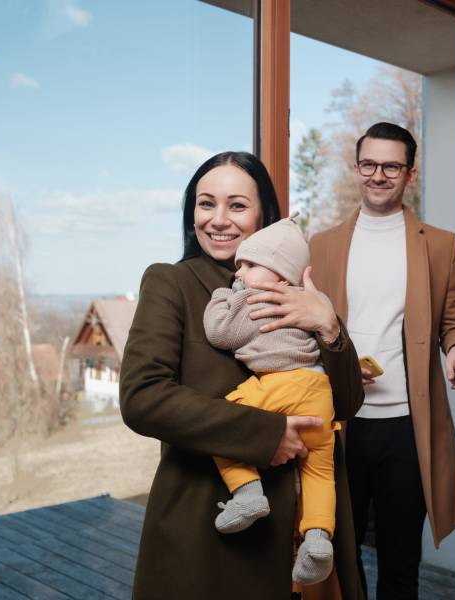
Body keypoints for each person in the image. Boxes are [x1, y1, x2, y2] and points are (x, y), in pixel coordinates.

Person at [119, 151, 365, 600]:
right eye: (205, 204)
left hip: (306, 526)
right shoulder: (170, 283)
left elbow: (346, 403)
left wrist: (328, 325)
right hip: (209, 528)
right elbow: (142, 397)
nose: (218, 220)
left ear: (264, 215)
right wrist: (267, 434)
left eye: (236, 205)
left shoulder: (298, 289)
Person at [309, 122, 455, 600]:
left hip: (408, 426)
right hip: (339, 422)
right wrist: (338, 364)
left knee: (400, 561)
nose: (378, 175)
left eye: (391, 166)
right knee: (341, 557)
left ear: (410, 173)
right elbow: (304, 328)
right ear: (356, 168)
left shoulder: (440, 244)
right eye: (369, 164)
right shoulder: (321, 245)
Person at [203, 214, 338, 585]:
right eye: (239, 266)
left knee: (224, 422)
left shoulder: (255, 300)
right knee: (319, 472)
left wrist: (221, 296)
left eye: (249, 265)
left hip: (281, 386)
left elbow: (219, 333)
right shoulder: (312, 301)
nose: (239, 273)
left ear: (280, 277)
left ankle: (247, 493)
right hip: (319, 393)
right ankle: (318, 540)